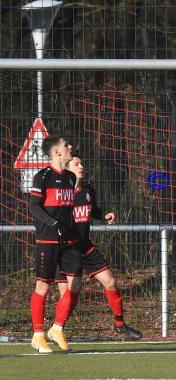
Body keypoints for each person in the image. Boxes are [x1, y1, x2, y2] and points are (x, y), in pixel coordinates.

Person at [55, 153, 142, 340]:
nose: (81, 167)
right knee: (69, 295)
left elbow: (92, 209)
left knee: (110, 282)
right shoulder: (61, 193)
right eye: (77, 164)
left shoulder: (87, 189)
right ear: (67, 169)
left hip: (86, 247)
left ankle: (120, 324)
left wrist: (104, 215)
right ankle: (56, 330)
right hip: (66, 251)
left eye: (82, 163)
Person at [29, 135, 82, 353]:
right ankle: (38, 335)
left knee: (75, 285)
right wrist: (54, 223)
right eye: (66, 145)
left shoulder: (70, 177)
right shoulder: (43, 177)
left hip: (69, 241)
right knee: (43, 286)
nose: (70, 147)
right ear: (57, 152)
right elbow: (34, 207)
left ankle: (57, 328)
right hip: (48, 239)